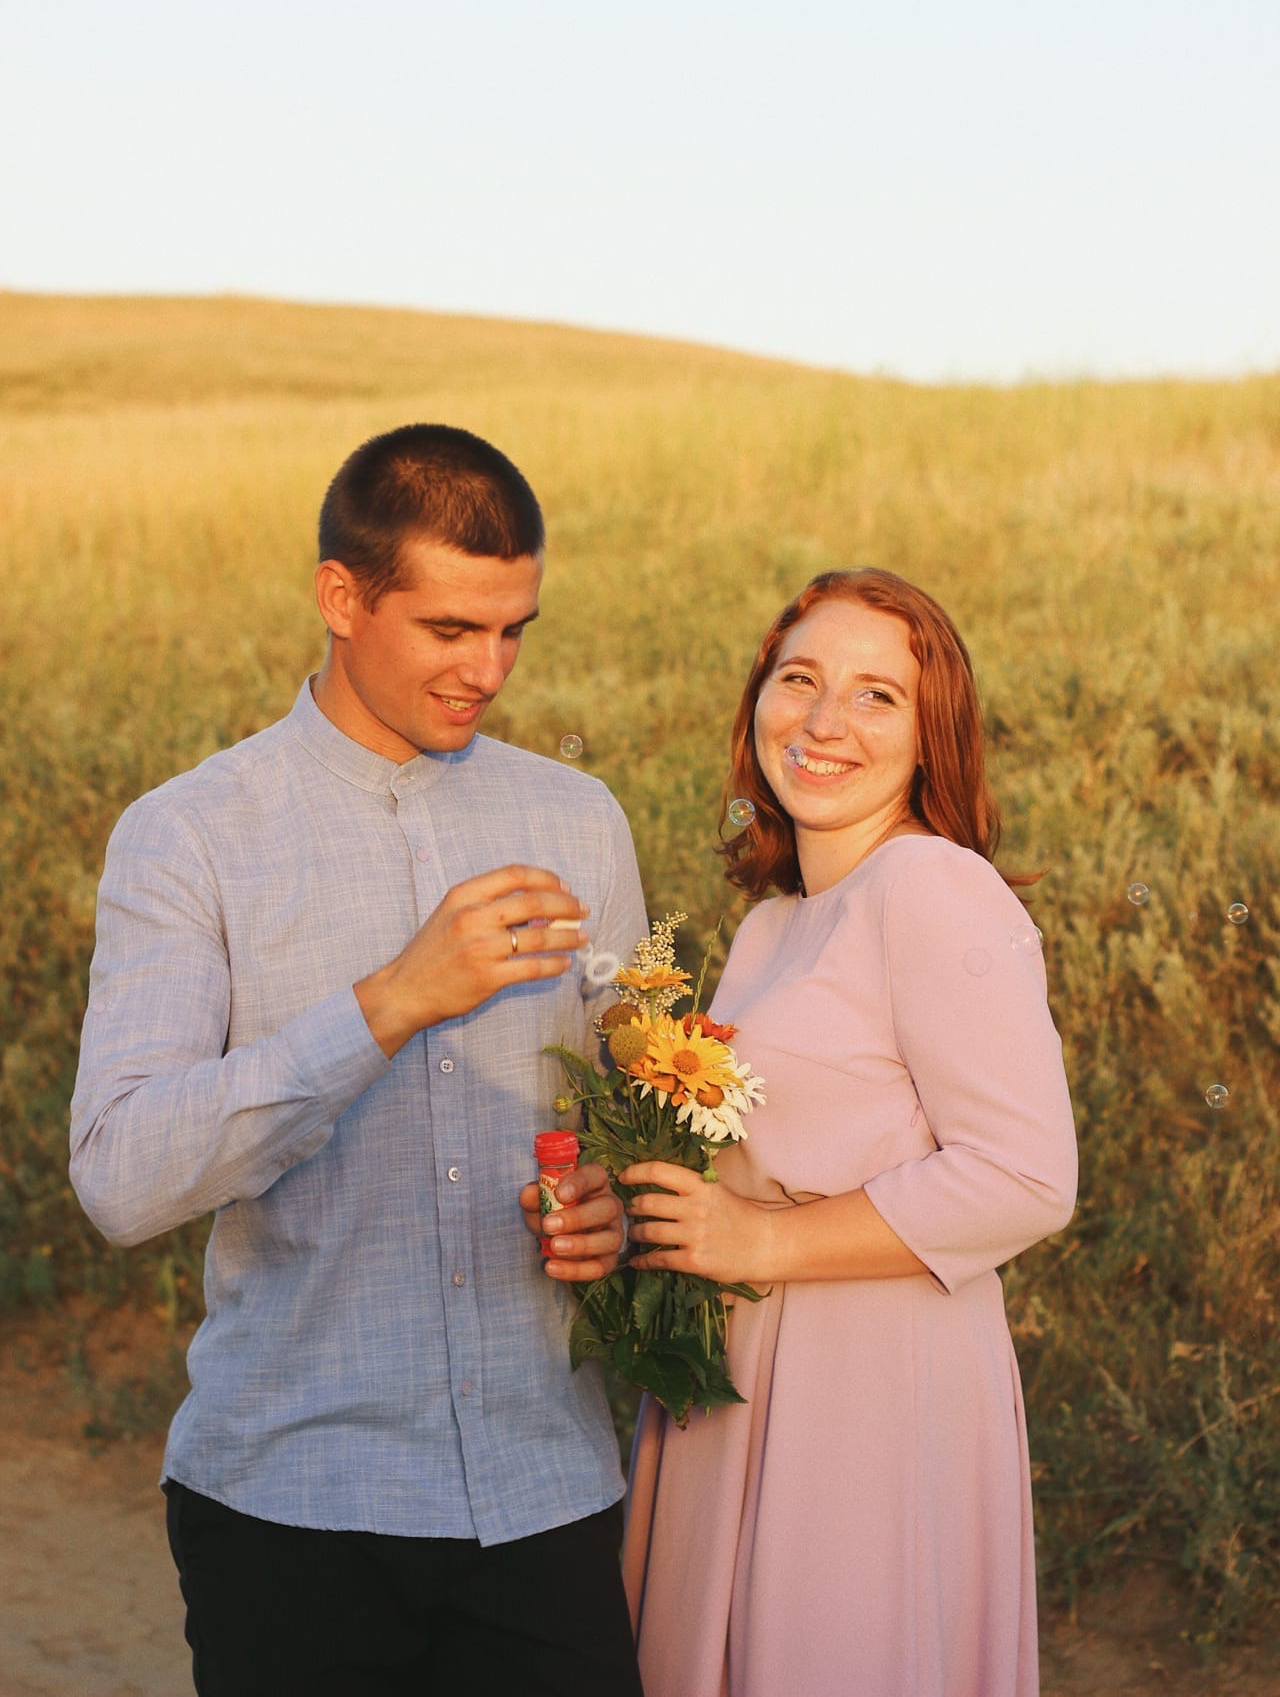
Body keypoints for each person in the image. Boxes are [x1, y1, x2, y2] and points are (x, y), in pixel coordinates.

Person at [70, 424, 648, 1697]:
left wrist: (614, 1207)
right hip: (289, 1503)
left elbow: (634, 1110)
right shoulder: (185, 837)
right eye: (449, 628)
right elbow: (120, 1174)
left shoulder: (579, 820)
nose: (487, 669)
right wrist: (389, 1001)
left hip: (542, 1489)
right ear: (341, 596)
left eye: (514, 629)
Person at [620, 567, 1078, 1697]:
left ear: (932, 739)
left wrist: (762, 1243)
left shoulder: (930, 885)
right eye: (800, 680)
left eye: (877, 696)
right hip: (743, 1372)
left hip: (867, 1382)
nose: (824, 722)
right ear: (756, 703)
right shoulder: (775, 919)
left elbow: (1024, 1176)